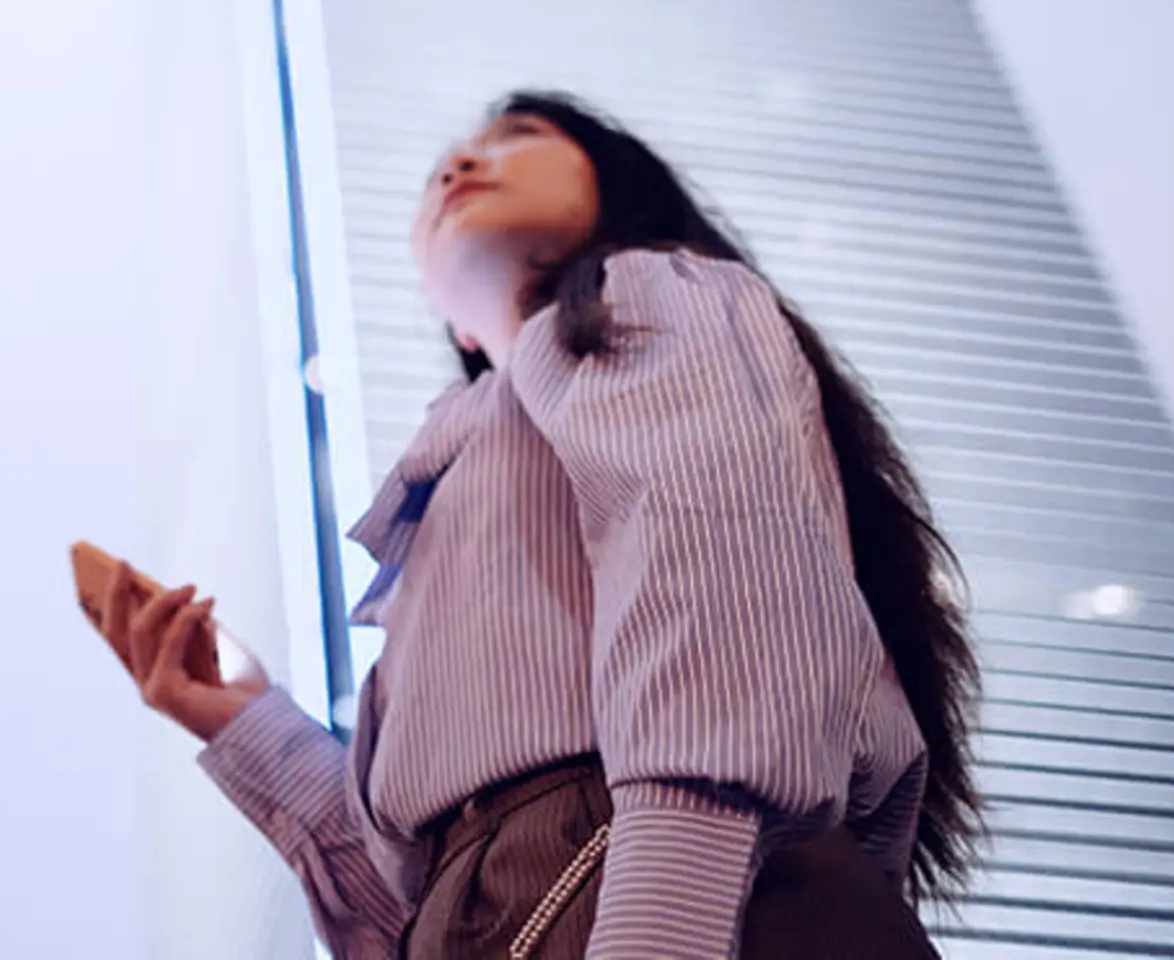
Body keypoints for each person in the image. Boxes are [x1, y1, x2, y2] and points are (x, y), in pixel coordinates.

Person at [97, 90, 983, 959]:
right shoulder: (452, 479)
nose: (460, 162)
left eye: (518, 135)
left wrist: (660, 927)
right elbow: (415, 904)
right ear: (457, 328)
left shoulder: (644, 292)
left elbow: (723, 580)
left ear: (618, 191)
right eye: (442, 171)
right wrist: (242, 718)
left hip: (676, 890)